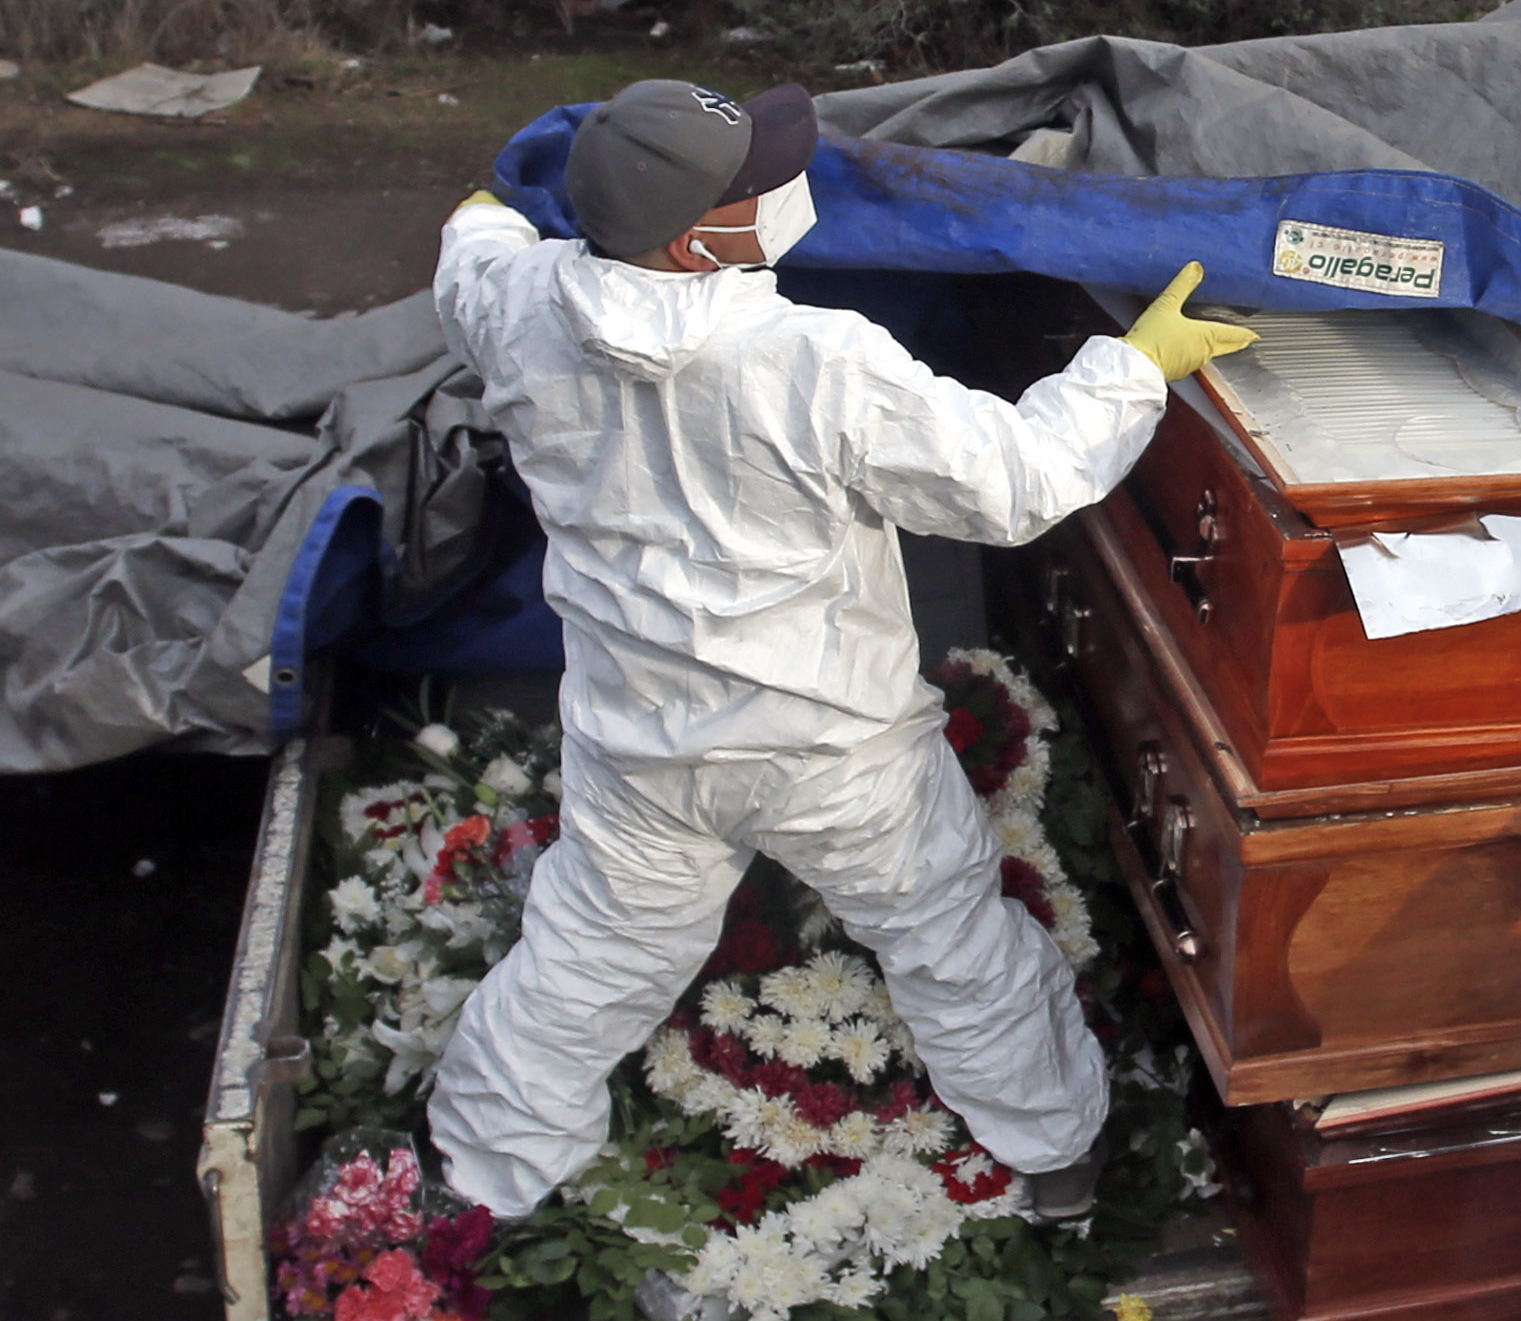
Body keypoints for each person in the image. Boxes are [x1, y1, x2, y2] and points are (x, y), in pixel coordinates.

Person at [423, 77, 1255, 1226]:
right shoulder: (814, 359)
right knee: (951, 940)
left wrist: (494, 199)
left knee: (587, 958)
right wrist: (1131, 366)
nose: (786, 185)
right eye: (760, 181)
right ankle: (1054, 1155)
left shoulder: (517, 303)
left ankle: (483, 1169)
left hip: (641, 743)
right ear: (695, 234)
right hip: (837, 755)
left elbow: (469, 245)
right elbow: (1015, 481)